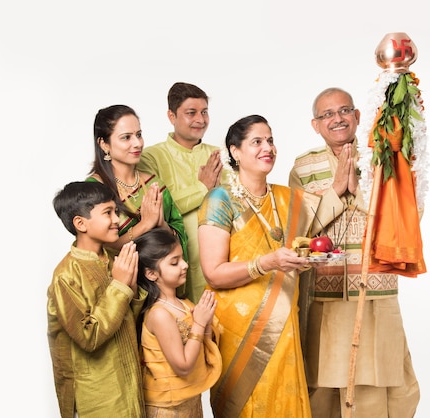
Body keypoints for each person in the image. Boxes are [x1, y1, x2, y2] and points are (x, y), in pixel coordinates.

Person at [288, 87, 420, 418]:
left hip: (375, 292)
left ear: (358, 117)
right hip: (324, 296)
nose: (337, 119)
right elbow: (298, 230)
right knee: (322, 384)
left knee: (383, 381)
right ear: (315, 124)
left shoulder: (383, 159)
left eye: (344, 110)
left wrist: (358, 191)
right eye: (327, 115)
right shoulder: (304, 168)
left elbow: (405, 219)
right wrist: (334, 191)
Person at [198, 114, 325, 417]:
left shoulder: (287, 198)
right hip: (241, 331)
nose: (267, 147)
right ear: (235, 151)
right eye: (256, 141)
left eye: (270, 140)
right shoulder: (220, 199)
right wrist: (266, 263)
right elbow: (213, 273)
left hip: (285, 326)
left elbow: (310, 238)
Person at [47, 181, 147, 418]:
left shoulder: (114, 259)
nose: (116, 220)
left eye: (116, 211)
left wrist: (131, 290)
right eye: (108, 213)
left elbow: (125, 322)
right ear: (80, 223)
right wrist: (121, 286)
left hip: (129, 381)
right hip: (97, 394)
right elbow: (88, 337)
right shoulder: (66, 276)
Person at [137, 82, 225, 303]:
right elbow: (157, 208)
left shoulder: (217, 155)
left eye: (204, 112)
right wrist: (202, 188)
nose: (200, 119)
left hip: (219, 262)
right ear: (171, 115)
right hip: (173, 268)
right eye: (191, 112)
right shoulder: (151, 157)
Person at [86, 104, 188, 265]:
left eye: (138, 135)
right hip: (118, 284)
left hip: (159, 283)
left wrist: (161, 224)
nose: (137, 143)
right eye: (126, 137)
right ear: (104, 144)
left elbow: (178, 238)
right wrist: (145, 224)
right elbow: (98, 248)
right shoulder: (93, 190)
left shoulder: (154, 184)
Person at [135, 228, 222, 417]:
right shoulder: (159, 314)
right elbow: (183, 366)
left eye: (182, 258)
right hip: (167, 409)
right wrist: (199, 323)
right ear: (151, 274)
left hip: (190, 401)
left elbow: (202, 349)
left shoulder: (185, 304)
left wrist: (206, 322)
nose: (185, 265)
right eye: (174, 263)